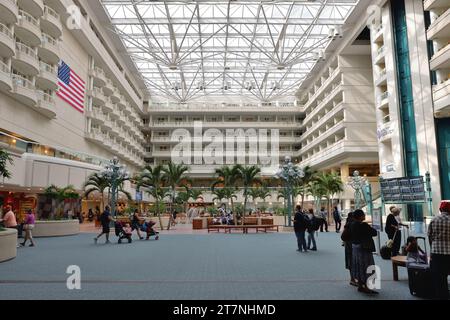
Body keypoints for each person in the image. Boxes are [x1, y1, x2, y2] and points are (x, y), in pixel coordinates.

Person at [349, 209, 378, 294]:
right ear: (360, 216)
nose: (364, 216)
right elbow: (374, 232)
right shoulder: (363, 225)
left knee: (358, 266)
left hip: (355, 247)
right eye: (363, 214)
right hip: (364, 248)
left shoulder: (352, 224)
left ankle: (360, 285)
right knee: (366, 266)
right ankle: (366, 287)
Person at [428, 200, 450, 300]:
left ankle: (442, 296)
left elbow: (429, 236)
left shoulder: (434, 220)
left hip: (437, 252)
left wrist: (432, 249)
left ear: (440, 209)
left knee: (439, 277)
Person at [341, 212, 358, 287]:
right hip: (352, 244)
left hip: (348, 244)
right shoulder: (353, 224)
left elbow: (343, 236)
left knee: (350, 260)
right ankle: (353, 279)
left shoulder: (348, 223)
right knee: (353, 260)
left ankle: (353, 278)